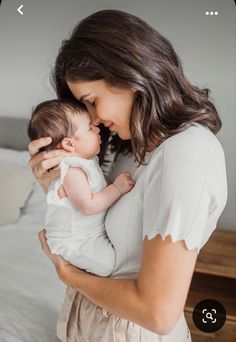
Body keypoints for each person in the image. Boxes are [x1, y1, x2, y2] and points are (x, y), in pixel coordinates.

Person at [28, 9, 228, 341]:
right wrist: (55, 184)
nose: (93, 118)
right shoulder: (129, 146)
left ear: (130, 74)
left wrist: (68, 274)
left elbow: (158, 313)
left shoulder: (186, 153)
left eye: (92, 102)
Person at [27, 99, 135, 276]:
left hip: (89, 234)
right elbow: (88, 205)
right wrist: (116, 188)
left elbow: (97, 183)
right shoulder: (72, 171)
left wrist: (109, 184)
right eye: (91, 129)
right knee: (110, 265)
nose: (98, 128)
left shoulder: (86, 163)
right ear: (70, 144)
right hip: (73, 240)